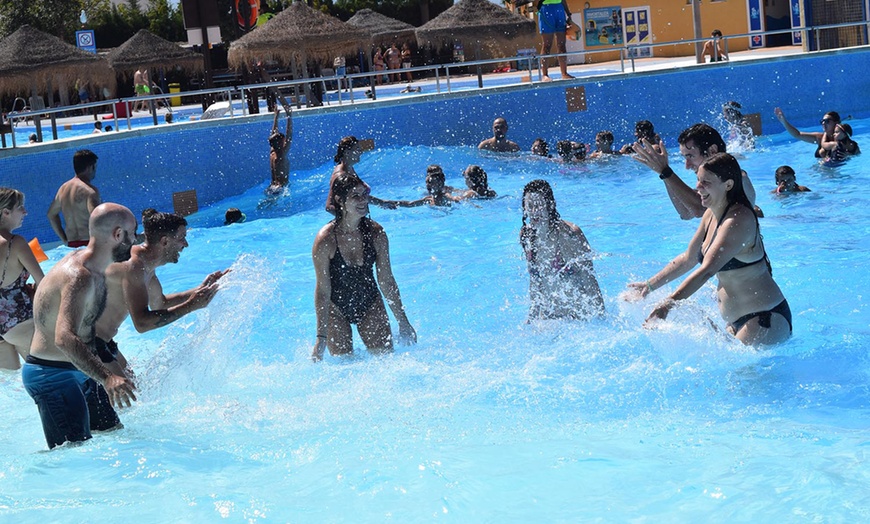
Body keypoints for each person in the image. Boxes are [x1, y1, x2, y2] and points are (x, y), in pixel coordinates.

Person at [624, 153, 791, 346]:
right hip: (736, 321)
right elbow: (689, 258)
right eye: (698, 180)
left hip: (765, 319)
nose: (698, 187)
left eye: (706, 182)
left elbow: (707, 270)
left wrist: (668, 304)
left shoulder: (738, 220)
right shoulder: (711, 214)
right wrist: (649, 285)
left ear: (728, 185)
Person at [22, 203, 138, 450]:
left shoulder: (97, 269)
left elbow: (87, 329)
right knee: (74, 456)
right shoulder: (79, 276)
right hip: (52, 375)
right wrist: (107, 378)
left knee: (113, 435)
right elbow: (64, 337)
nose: (135, 240)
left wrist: (111, 360)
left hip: (81, 368)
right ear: (118, 235)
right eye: (133, 233)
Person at [95, 209, 227, 382]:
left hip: (104, 340)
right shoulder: (133, 266)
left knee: (135, 393)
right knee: (129, 398)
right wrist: (191, 305)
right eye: (181, 237)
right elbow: (142, 323)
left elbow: (160, 303)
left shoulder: (146, 266)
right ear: (165, 241)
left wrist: (200, 290)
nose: (185, 244)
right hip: (88, 342)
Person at [311, 173, 417, 360]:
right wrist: (321, 338)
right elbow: (322, 289)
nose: (363, 200)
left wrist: (403, 321)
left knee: (385, 361)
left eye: (364, 194)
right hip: (336, 308)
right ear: (340, 200)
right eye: (355, 196)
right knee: (343, 366)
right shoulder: (326, 239)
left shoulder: (376, 233)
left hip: (370, 302)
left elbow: (386, 279)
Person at [632, 123, 759, 220]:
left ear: (712, 151)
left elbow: (698, 209)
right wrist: (663, 172)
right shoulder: (712, 180)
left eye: (690, 156)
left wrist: (666, 172)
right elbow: (685, 212)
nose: (687, 166)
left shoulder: (735, 179)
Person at [520, 179, 604, 320]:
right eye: (530, 206)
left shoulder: (568, 234)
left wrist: (601, 318)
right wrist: (531, 318)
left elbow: (590, 280)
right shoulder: (527, 235)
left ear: (550, 205)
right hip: (548, 315)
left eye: (539, 205)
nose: (534, 212)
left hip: (576, 316)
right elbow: (535, 281)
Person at [0, 189, 45, 370]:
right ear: (6, 212)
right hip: (19, 321)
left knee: (9, 382)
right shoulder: (15, 243)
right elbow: (44, 282)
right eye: (21, 208)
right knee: (46, 375)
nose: (25, 212)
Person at [325, 136, 399, 214]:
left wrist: (381, 202)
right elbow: (329, 207)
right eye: (357, 149)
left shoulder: (349, 168)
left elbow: (358, 196)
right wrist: (353, 220)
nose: (361, 152)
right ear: (347, 152)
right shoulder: (340, 175)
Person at [47, 149, 101, 247]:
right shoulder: (90, 191)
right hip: (89, 243)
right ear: (90, 167)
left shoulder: (63, 189)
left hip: (71, 244)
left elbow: (51, 214)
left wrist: (64, 239)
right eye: (95, 167)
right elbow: (98, 219)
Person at [774, 107, 842, 158]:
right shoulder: (819, 137)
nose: (823, 123)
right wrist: (784, 122)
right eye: (822, 121)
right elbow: (797, 134)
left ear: (836, 123)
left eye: (827, 121)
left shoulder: (843, 139)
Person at [536, 0, 574, 82]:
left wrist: (568, 14)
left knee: (562, 45)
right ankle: (545, 75)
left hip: (559, 9)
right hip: (546, 9)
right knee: (547, 44)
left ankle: (564, 73)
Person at [267, 107, 292, 195]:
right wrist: (289, 117)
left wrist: (276, 117)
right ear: (281, 142)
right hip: (281, 189)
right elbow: (289, 135)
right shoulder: (281, 154)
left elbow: (273, 134)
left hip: (272, 186)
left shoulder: (272, 153)